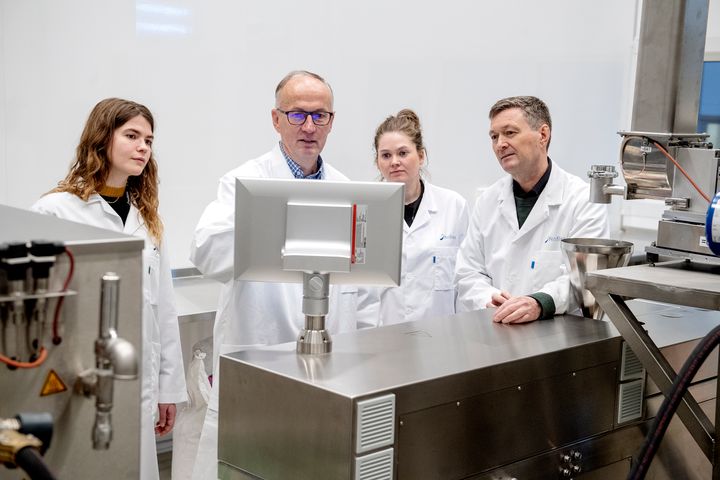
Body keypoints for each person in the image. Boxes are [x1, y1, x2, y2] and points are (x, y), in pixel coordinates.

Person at [189, 70, 358, 479]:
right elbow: (206, 250)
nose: (309, 127)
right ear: (275, 118)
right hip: (257, 354)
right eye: (297, 115)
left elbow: (359, 283)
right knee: (248, 467)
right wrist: (282, 225)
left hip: (328, 364)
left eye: (320, 116)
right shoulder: (244, 182)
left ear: (332, 122)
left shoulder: (346, 187)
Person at [31, 98, 187, 479]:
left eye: (149, 141)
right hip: (75, 379)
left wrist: (169, 388)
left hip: (139, 381)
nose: (143, 148)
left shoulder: (145, 219)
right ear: (102, 139)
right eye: (131, 136)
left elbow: (162, 309)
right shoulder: (56, 211)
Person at [454, 95, 608, 323]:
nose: (500, 144)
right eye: (494, 136)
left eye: (510, 133)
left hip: (558, 335)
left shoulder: (582, 200)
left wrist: (539, 302)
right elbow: (468, 271)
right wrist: (489, 298)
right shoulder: (488, 201)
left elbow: (585, 278)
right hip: (495, 325)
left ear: (542, 135)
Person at [363, 109, 468, 326]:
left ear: (421, 156)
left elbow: (465, 277)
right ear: (377, 162)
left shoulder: (453, 205)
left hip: (441, 334)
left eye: (403, 153)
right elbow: (361, 292)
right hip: (384, 336)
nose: (394, 162)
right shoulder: (366, 210)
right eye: (386, 155)